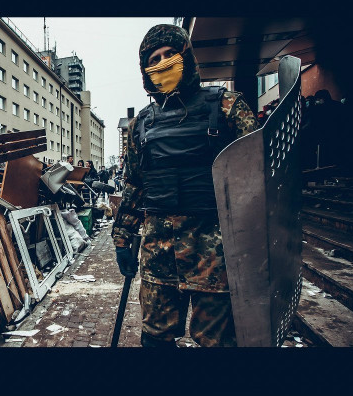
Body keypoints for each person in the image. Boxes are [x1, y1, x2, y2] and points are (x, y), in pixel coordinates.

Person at [111, 24, 259, 347]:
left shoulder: (227, 107)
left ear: (186, 58)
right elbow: (134, 186)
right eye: (154, 59)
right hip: (158, 255)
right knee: (155, 340)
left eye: (170, 54)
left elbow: (255, 178)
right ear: (145, 70)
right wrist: (122, 237)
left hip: (213, 255)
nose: (163, 63)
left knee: (217, 343)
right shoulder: (140, 126)